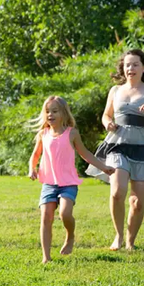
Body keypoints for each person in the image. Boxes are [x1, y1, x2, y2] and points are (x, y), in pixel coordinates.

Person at [28, 96, 115, 264]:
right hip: (48, 183)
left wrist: (103, 167)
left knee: (65, 213)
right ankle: (46, 257)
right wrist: (32, 168)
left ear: (64, 113)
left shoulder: (71, 134)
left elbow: (86, 154)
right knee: (46, 216)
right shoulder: (43, 134)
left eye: (54, 111)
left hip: (68, 182)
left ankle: (70, 236)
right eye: (47, 111)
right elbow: (35, 155)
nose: (50, 114)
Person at [86, 49, 144, 251]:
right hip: (117, 144)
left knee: (138, 202)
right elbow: (106, 115)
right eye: (127, 64)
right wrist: (108, 124)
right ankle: (119, 236)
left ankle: (130, 241)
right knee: (116, 192)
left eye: (135, 64)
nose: (130, 68)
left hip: (143, 147)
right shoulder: (115, 91)